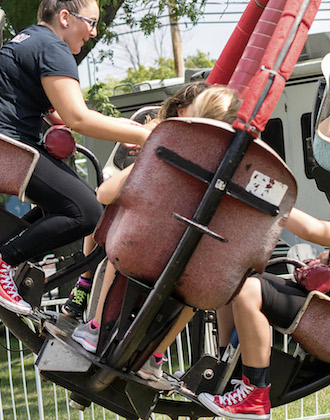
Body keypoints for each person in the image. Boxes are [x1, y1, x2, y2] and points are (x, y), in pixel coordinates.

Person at [0, 0, 152, 317]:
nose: (95, 32)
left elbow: (59, 112)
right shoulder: (54, 48)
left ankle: (7, 257)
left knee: (72, 205)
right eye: (91, 22)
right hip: (1, 148)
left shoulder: (33, 39)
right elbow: (79, 119)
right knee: (88, 212)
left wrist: (125, 127)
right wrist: (145, 135)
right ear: (66, 18)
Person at [198, 158, 330, 420]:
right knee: (233, 280)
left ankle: (254, 395)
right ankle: (228, 373)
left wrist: (267, 189)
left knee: (249, 291)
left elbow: (312, 229)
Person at [70, 84, 242, 378]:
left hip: (143, 252)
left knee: (121, 235)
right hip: (192, 270)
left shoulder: (167, 147)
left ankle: (97, 328)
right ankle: (156, 356)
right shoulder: (234, 164)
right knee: (196, 290)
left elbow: (104, 193)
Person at [61, 81, 210, 320]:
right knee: (100, 204)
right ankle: (84, 283)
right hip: (135, 194)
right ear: (181, 110)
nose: (206, 119)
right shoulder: (157, 126)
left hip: (164, 212)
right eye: (201, 110)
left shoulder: (203, 143)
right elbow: (124, 167)